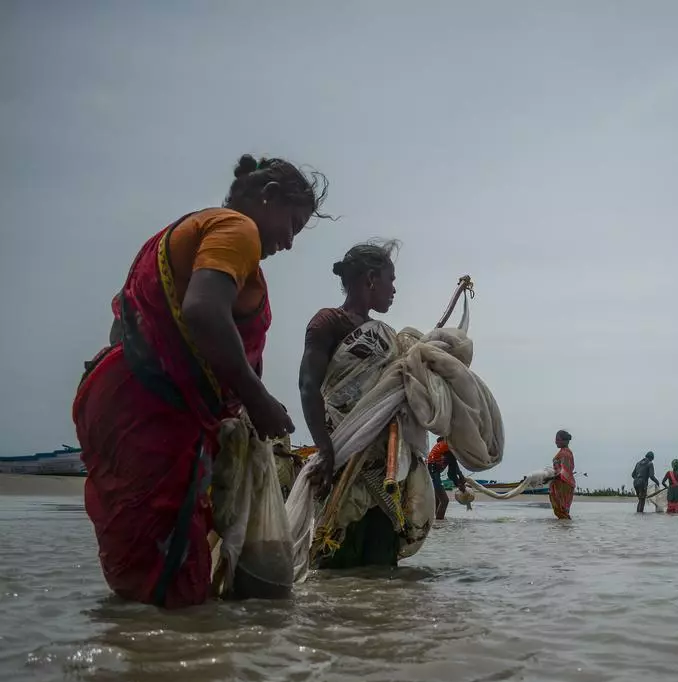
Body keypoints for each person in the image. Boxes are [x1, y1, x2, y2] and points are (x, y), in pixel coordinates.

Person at [72, 154, 328, 608]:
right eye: (292, 223)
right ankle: (172, 669)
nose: (289, 242)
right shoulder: (236, 229)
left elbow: (126, 324)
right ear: (267, 197)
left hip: (123, 405)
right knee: (172, 579)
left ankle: (135, 659)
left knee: (144, 564)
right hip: (152, 415)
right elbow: (203, 311)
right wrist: (259, 399)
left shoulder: (181, 234)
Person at [299, 240, 420, 569]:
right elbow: (308, 387)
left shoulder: (389, 338)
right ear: (370, 279)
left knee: (382, 570)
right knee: (337, 555)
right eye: (390, 280)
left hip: (384, 467)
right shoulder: (328, 322)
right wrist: (325, 449)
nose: (394, 289)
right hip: (342, 457)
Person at [428, 436, 466, 520]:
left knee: (438, 498)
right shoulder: (449, 449)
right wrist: (460, 480)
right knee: (444, 501)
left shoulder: (443, 450)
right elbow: (452, 473)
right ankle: (440, 524)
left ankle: (436, 524)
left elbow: (451, 472)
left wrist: (459, 481)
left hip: (431, 471)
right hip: (433, 471)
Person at [549, 430, 575, 519]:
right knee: (563, 510)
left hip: (563, 484)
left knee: (562, 510)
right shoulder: (566, 452)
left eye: (558, 439)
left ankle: (565, 528)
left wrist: (549, 477)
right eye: (556, 439)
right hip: (565, 483)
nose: (556, 441)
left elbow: (563, 471)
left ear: (565, 441)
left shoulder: (565, 453)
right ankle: (565, 529)